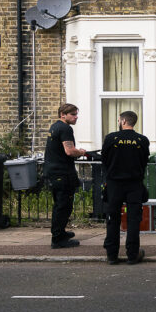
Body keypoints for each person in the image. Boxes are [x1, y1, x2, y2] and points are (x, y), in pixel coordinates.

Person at [101, 111, 150, 265]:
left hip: (114, 184)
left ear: (122, 121)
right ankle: (132, 254)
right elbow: (144, 161)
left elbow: (104, 159)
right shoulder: (142, 140)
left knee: (112, 219)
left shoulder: (111, 138)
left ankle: (112, 255)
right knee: (133, 219)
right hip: (134, 184)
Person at [44, 103, 86, 248]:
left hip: (53, 172)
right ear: (63, 114)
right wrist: (81, 152)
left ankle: (60, 232)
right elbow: (69, 151)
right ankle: (58, 239)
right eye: (73, 114)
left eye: (76, 114)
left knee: (59, 205)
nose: (76, 117)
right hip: (62, 173)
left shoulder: (54, 126)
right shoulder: (65, 128)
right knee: (64, 206)